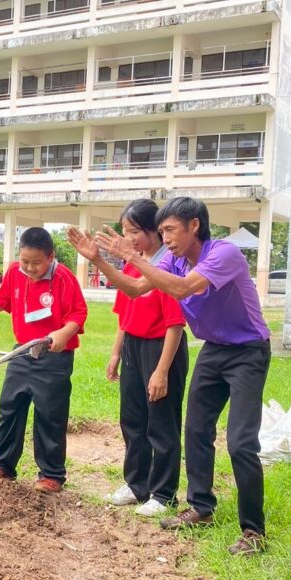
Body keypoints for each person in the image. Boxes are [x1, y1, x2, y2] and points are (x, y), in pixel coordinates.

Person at [68, 197, 271, 555]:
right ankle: (201, 508)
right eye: (161, 231)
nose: (166, 238)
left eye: (170, 230)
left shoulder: (223, 253)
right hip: (213, 349)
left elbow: (181, 289)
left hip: (248, 351)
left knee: (240, 442)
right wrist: (99, 260)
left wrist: (132, 257)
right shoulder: (173, 260)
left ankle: (253, 530)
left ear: (194, 225)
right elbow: (135, 289)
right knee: (195, 430)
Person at [0, 228, 88, 493]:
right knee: (10, 407)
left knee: (49, 414)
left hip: (53, 356)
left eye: (36, 263)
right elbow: (1, 299)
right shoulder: (15, 273)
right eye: (25, 261)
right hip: (22, 351)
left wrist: (64, 333)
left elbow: (78, 313)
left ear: (51, 257)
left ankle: (51, 474)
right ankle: (3, 466)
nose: (29, 268)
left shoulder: (64, 278)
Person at [105, 200, 189, 518]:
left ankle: (164, 493)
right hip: (134, 346)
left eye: (134, 232)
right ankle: (136, 484)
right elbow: (124, 313)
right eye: (125, 232)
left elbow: (175, 324)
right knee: (133, 419)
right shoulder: (133, 263)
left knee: (162, 422)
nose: (128, 239)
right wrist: (116, 352)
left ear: (154, 230)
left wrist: (162, 371)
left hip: (161, 348)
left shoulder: (166, 266)